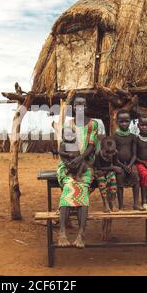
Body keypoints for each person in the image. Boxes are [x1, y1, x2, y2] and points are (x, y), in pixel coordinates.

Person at [57, 96, 100, 248]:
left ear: (87, 107)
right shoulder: (68, 124)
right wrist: (70, 163)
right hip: (68, 165)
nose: (79, 107)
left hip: (85, 166)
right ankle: (62, 232)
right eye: (77, 104)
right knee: (69, 188)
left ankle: (81, 234)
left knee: (82, 191)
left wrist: (80, 159)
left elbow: (92, 146)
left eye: (83, 104)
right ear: (73, 107)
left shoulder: (93, 124)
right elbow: (64, 148)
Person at [113, 109, 143, 210]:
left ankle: (136, 204)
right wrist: (123, 166)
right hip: (118, 164)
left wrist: (130, 165)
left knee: (135, 174)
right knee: (120, 176)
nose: (124, 123)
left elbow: (135, 154)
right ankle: (121, 205)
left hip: (130, 163)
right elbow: (114, 156)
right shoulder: (114, 137)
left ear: (130, 121)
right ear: (117, 122)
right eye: (121, 121)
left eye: (127, 121)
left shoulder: (133, 137)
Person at [93, 137, 119, 212]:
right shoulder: (98, 153)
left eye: (112, 152)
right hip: (99, 171)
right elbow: (99, 167)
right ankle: (105, 203)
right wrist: (113, 168)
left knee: (113, 179)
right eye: (107, 152)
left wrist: (113, 168)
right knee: (101, 181)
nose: (110, 155)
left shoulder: (115, 153)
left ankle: (113, 202)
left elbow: (116, 164)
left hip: (109, 171)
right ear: (102, 149)